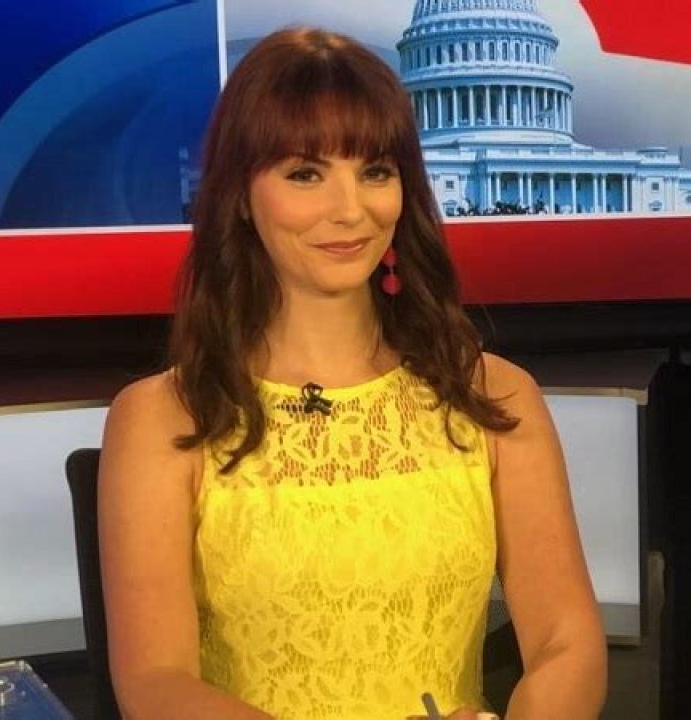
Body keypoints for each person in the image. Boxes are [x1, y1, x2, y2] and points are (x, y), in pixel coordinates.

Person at [98, 26, 607, 720]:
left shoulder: (493, 394)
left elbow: (566, 642)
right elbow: (155, 682)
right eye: (305, 173)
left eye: (375, 171)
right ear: (242, 195)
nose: (350, 210)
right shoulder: (161, 417)